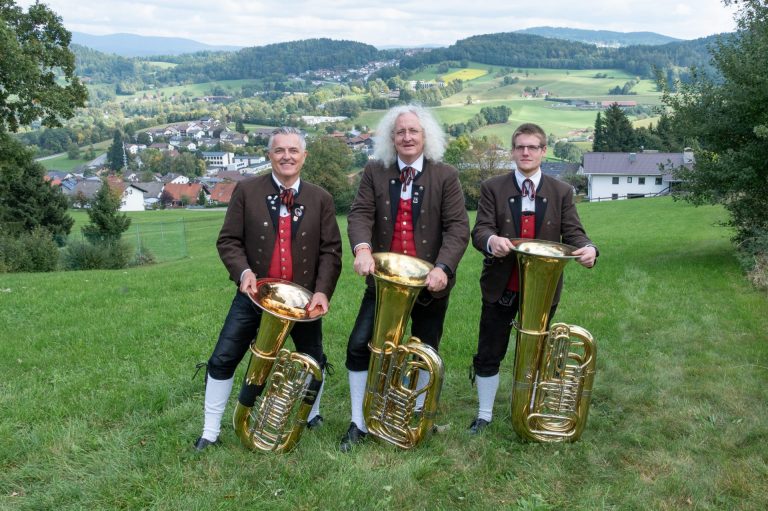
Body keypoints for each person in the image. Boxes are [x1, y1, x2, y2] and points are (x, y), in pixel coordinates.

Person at [194, 127, 342, 451]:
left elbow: (331, 251)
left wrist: (322, 292)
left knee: (312, 359)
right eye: (279, 151)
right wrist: (244, 272)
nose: (286, 156)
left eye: (293, 150)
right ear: (269, 156)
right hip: (254, 296)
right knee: (222, 359)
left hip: (303, 301)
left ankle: (311, 415)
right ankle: (210, 432)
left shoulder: (321, 198)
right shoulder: (246, 190)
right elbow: (228, 240)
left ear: (304, 156)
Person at [341, 104, 470, 452]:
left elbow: (458, 228)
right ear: (391, 138)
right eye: (401, 132)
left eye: (413, 131)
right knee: (359, 346)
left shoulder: (445, 175)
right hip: (384, 284)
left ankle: (413, 415)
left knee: (425, 350)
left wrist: (444, 268)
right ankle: (360, 421)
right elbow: (360, 214)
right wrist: (362, 250)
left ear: (425, 136)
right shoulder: (374, 172)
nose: (407, 137)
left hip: (431, 285)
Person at [468, 122, 598, 434]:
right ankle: (484, 415)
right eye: (520, 147)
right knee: (489, 351)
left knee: (537, 353)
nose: (526, 152)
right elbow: (480, 230)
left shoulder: (562, 191)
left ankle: (529, 409)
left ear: (542, 151)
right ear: (512, 152)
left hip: (542, 289)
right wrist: (491, 241)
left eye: (533, 147)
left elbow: (575, 233)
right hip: (502, 285)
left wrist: (589, 249)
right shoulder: (492, 188)